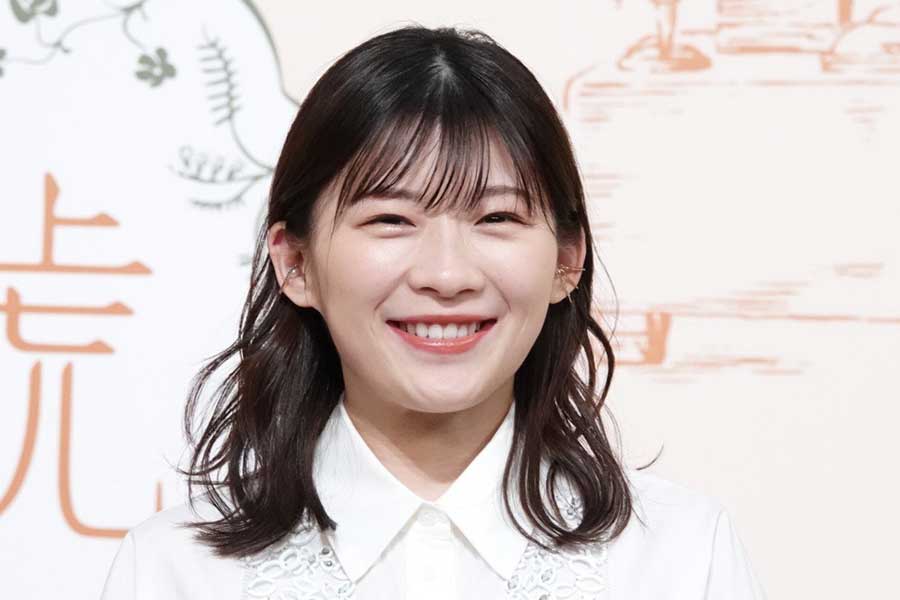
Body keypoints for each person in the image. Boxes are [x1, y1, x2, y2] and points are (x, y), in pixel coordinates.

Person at [100, 24, 766, 599]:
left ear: (567, 260)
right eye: (391, 219)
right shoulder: (175, 570)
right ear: (295, 263)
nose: (447, 276)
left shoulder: (682, 558)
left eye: (497, 217)